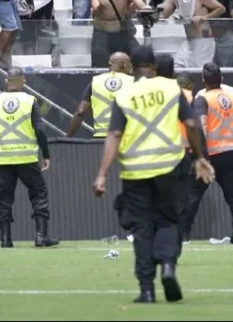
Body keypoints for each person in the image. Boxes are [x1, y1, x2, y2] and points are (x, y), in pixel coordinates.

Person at [92, 45, 215, 304]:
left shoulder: (124, 95)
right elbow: (192, 124)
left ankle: (147, 289)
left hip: (135, 171)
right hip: (170, 166)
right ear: (155, 67)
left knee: (142, 227)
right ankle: (168, 266)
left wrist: (102, 173)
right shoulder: (171, 88)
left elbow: (114, 135)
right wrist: (200, 157)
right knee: (169, 221)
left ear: (132, 67)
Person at [0, 67, 59, 248]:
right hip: (27, 158)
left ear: (6, 80)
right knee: (38, 194)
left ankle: (5, 239)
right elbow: (39, 129)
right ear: (23, 80)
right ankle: (41, 236)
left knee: (3, 199)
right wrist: (46, 154)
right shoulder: (29, 100)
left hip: (3, 159)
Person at [181, 62, 233, 244]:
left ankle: (184, 234)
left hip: (210, 153)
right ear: (222, 78)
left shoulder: (202, 97)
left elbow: (201, 126)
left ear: (204, 80)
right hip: (231, 152)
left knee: (193, 194)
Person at [158, 0, 224, 69]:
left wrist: (203, 17)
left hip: (204, 40)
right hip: (189, 41)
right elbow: (163, 15)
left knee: (200, 71)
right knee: (177, 66)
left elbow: (221, 8)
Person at [90, 0, 149, 66]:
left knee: (142, 57)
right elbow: (95, 7)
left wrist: (146, 10)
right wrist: (99, 7)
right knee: (99, 66)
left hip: (122, 32)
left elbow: (141, 5)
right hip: (102, 34)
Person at [67, 51, 133, 137]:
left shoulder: (96, 81)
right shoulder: (133, 82)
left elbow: (80, 112)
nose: (131, 69)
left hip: (100, 139)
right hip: (126, 138)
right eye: (129, 66)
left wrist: (68, 137)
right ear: (122, 65)